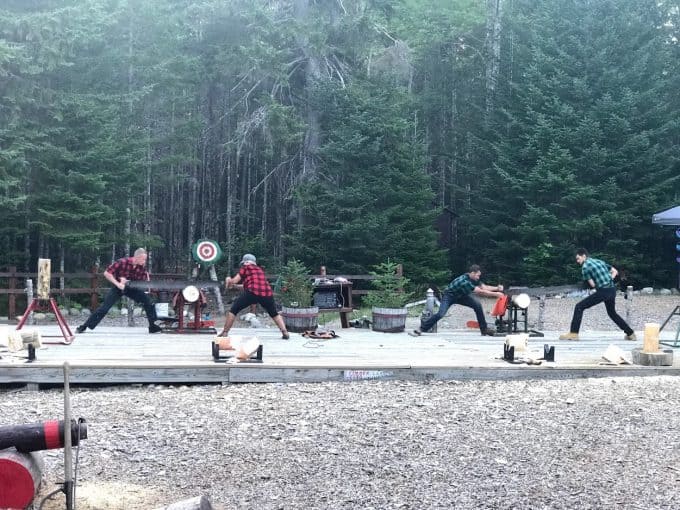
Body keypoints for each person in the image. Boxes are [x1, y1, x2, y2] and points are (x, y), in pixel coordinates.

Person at [76, 248, 161, 334]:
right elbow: (107, 273)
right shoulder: (122, 262)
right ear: (137, 257)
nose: (144, 261)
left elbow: (140, 280)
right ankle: (84, 326)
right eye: (143, 259)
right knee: (105, 308)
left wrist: (129, 282)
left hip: (131, 289)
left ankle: (152, 326)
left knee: (147, 301)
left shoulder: (141, 267)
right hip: (118, 288)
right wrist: (118, 284)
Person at [559, 248, 636, 341]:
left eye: (578, 258)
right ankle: (630, 333)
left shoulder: (585, 267)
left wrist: (596, 286)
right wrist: (609, 280)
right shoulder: (599, 261)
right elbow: (615, 271)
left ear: (584, 256)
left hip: (603, 291)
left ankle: (574, 334)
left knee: (579, 307)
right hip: (612, 290)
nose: (577, 261)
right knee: (612, 313)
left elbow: (593, 285)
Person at [410, 264, 504, 337]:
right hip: (449, 296)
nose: (478, 278)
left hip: (461, 296)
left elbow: (484, 287)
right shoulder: (464, 281)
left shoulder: (473, 278)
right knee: (441, 314)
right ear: (472, 273)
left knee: (477, 305)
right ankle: (421, 328)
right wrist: (497, 294)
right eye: (477, 276)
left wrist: (497, 288)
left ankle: (484, 330)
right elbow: (481, 292)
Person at [217, 253, 290, 339]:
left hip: (252, 292)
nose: (243, 265)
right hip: (267, 293)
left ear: (246, 262)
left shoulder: (246, 268)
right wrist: (234, 286)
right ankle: (285, 332)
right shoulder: (259, 270)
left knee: (233, 310)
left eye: (243, 263)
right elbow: (246, 286)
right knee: (274, 313)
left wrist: (229, 280)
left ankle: (225, 332)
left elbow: (234, 281)